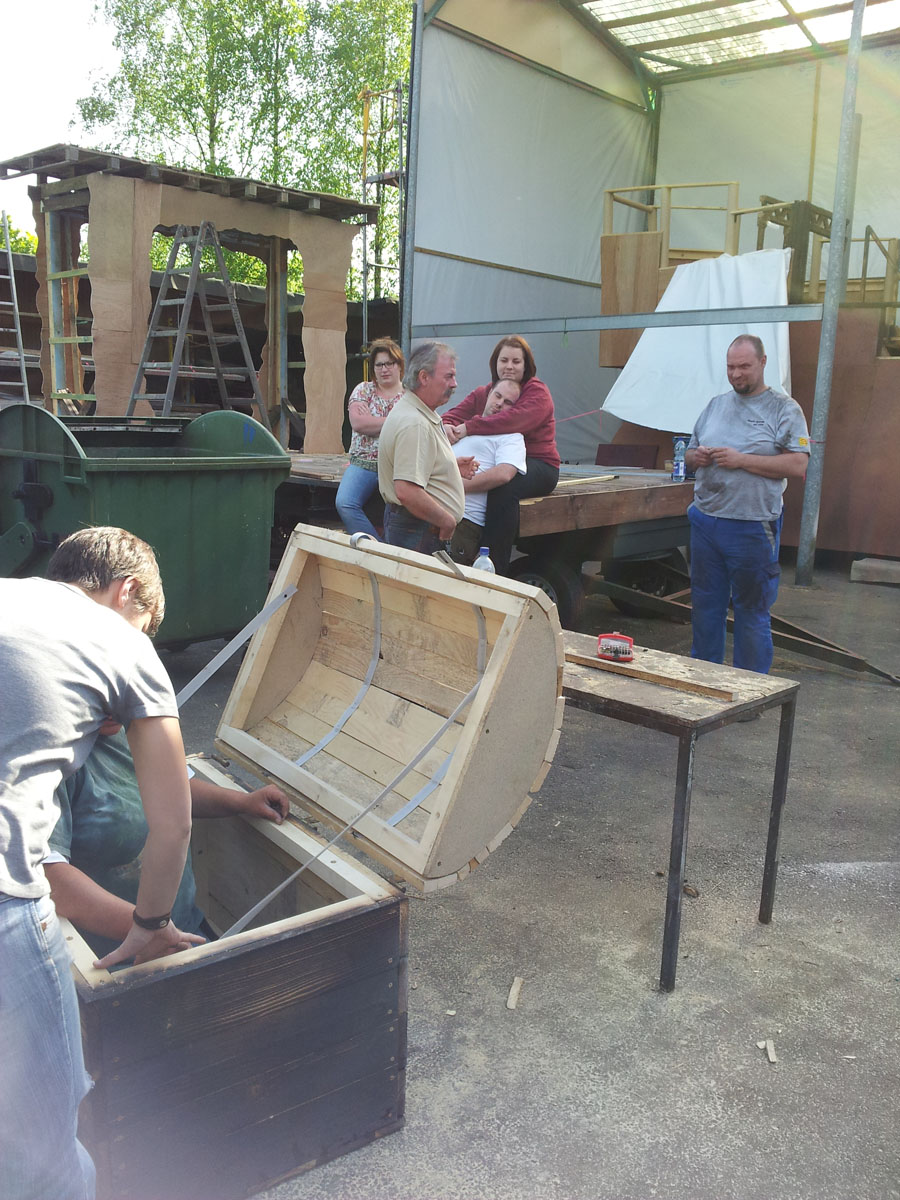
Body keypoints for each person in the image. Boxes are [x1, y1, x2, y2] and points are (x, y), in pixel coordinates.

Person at [0, 526, 203, 1200]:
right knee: (42, 1156)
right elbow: (173, 823)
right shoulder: (120, 641)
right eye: (146, 625)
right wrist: (148, 925)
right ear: (127, 592)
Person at [44, 730, 289, 961]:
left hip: (185, 932)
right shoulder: (47, 762)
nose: (113, 706)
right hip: (119, 961)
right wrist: (146, 929)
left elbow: (175, 788)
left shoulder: (131, 724)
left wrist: (243, 802)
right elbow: (51, 878)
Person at [685, 335, 810, 674]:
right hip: (706, 520)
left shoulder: (784, 409)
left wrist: (741, 460)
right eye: (730, 367)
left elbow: (798, 463)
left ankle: (750, 689)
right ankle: (704, 681)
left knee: (751, 612)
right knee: (705, 607)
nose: (736, 374)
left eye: (744, 366)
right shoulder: (715, 405)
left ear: (763, 362)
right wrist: (697, 457)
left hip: (752, 525)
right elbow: (687, 454)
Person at [443, 335, 560, 574]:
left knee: (504, 486)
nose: (509, 366)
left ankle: (493, 564)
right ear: (494, 363)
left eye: (516, 361)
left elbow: (512, 420)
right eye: (504, 360)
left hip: (539, 463)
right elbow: (453, 414)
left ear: (526, 365)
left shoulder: (537, 392)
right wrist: (446, 426)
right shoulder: (486, 392)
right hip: (505, 459)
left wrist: (469, 427)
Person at [377, 341, 475, 555]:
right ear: (424, 377)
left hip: (416, 526)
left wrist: (448, 468)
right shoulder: (415, 423)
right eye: (449, 376)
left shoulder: (417, 411)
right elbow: (406, 490)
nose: (455, 384)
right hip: (418, 528)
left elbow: (413, 471)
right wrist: (446, 521)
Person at [448, 379, 527, 565]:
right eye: (497, 396)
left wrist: (457, 486)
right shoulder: (467, 427)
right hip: (434, 510)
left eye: (508, 402)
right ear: (489, 394)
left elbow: (504, 473)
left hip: (463, 521)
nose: (499, 403)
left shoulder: (512, 436)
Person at [335, 337, 405, 540]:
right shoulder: (364, 389)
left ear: (399, 365)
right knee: (345, 503)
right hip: (363, 462)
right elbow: (358, 423)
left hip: (396, 465)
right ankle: (377, 549)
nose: (384, 369)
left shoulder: (409, 396)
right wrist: (396, 422)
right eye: (379, 365)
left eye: (390, 363)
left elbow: (412, 429)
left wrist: (374, 422)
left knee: (399, 515)